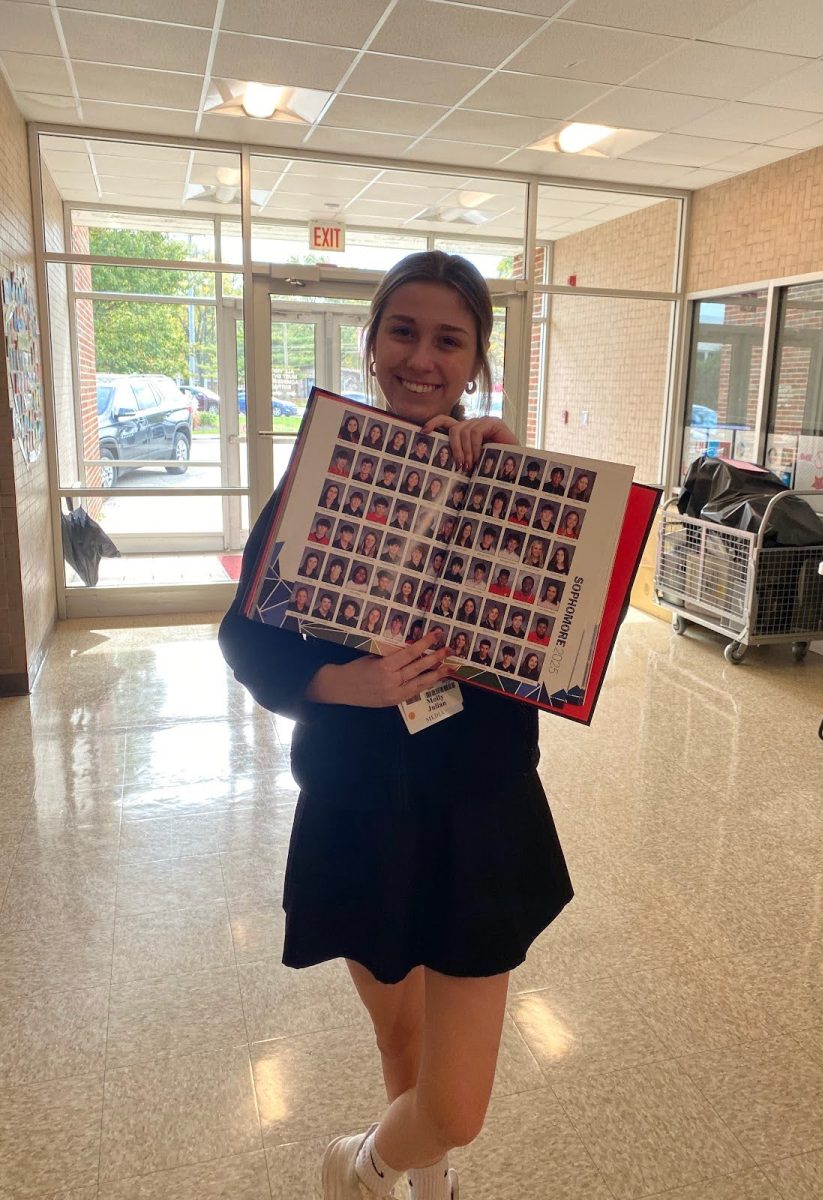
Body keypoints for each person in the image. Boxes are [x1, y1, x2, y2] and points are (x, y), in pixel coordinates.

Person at [219, 251, 572, 1200]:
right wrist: (348, 682)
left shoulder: (504, 477)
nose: (423, 357)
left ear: (476, 361)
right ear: (371, 344)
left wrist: (520, 485)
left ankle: (363, 1163)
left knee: (456, 1101)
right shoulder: (314, 486)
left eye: (449, 339)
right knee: (401, 1034)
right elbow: (247, 639)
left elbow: (553, 638)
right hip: (358, 806)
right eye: (403, 332)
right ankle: (428, 1189)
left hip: (479, 810)